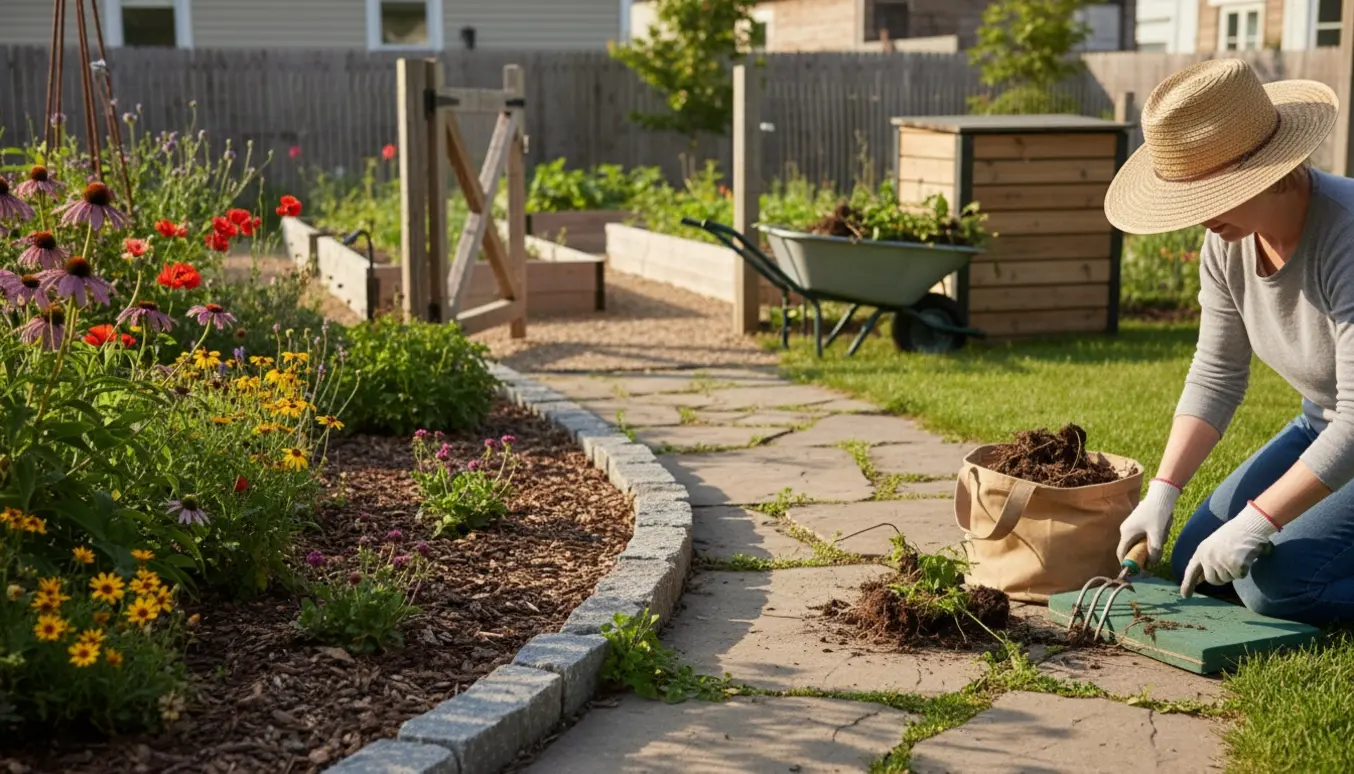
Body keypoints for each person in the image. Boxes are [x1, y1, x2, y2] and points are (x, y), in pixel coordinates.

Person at [1102, 58, 1352, 626]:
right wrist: (1162, 491)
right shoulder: (1228, 242)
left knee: (1278, 589)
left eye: (1210, 195)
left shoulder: (1347, 235)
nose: (1199, 218)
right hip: (1323, 426)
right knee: (1195, 558)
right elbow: (1217, 372)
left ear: (1266, 171)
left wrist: (1259, 519)